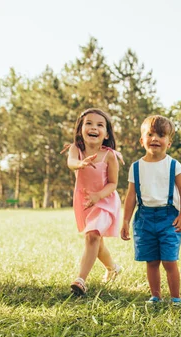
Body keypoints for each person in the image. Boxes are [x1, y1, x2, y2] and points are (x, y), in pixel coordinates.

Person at [121, 115, 181, 305]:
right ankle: (156, 296)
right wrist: (126, 220)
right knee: (151, 261)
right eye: (150, 134)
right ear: (142, 140)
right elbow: (130, 197)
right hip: (144, 218)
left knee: (169, 260)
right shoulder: (136, 167)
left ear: (169, 142)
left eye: (161, 135)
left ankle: (176, 297)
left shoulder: (173, 165)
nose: (155, 139)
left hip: (168, 218)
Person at [65, 108, 124, 296]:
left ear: (106, 134)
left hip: (105, 201)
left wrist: (99, 195)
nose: (93, 127)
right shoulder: (77, 150)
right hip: (84, 201)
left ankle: (80, 280)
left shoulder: (109, 155)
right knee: (96, 242)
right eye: (88, 123)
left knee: (92, 236)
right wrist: (80, 164)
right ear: (81, 129)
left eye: (100, 125)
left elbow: (114, 183)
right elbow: (71, 162)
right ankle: (113, 268)